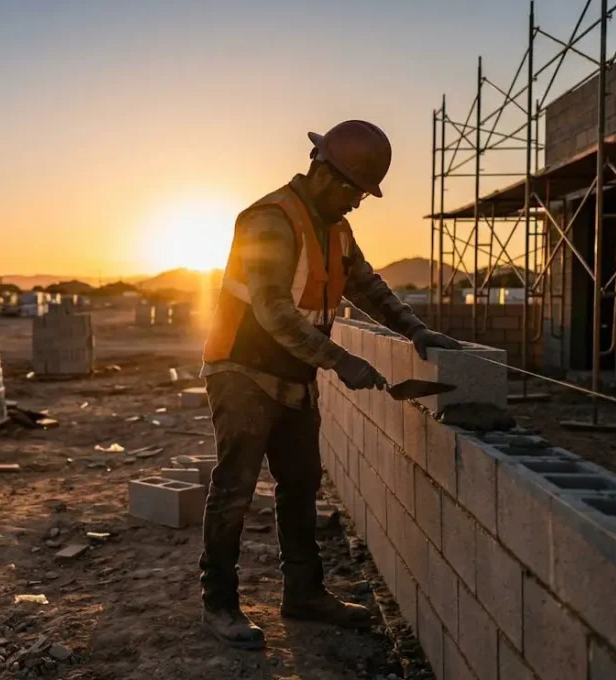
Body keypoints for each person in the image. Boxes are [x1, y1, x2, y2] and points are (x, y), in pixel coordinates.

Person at [197, 120, 461, 649]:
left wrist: (414, 329)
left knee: (300, 484)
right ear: (323, 172)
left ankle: (304, 593)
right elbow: (273, 310)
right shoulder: (269, 220)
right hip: (243, 369)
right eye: (354, 190)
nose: (358, 202)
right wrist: (341, 361)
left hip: (295, 372)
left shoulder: (336, 228)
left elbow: (366, 284)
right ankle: (219, 603)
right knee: (235, 490)